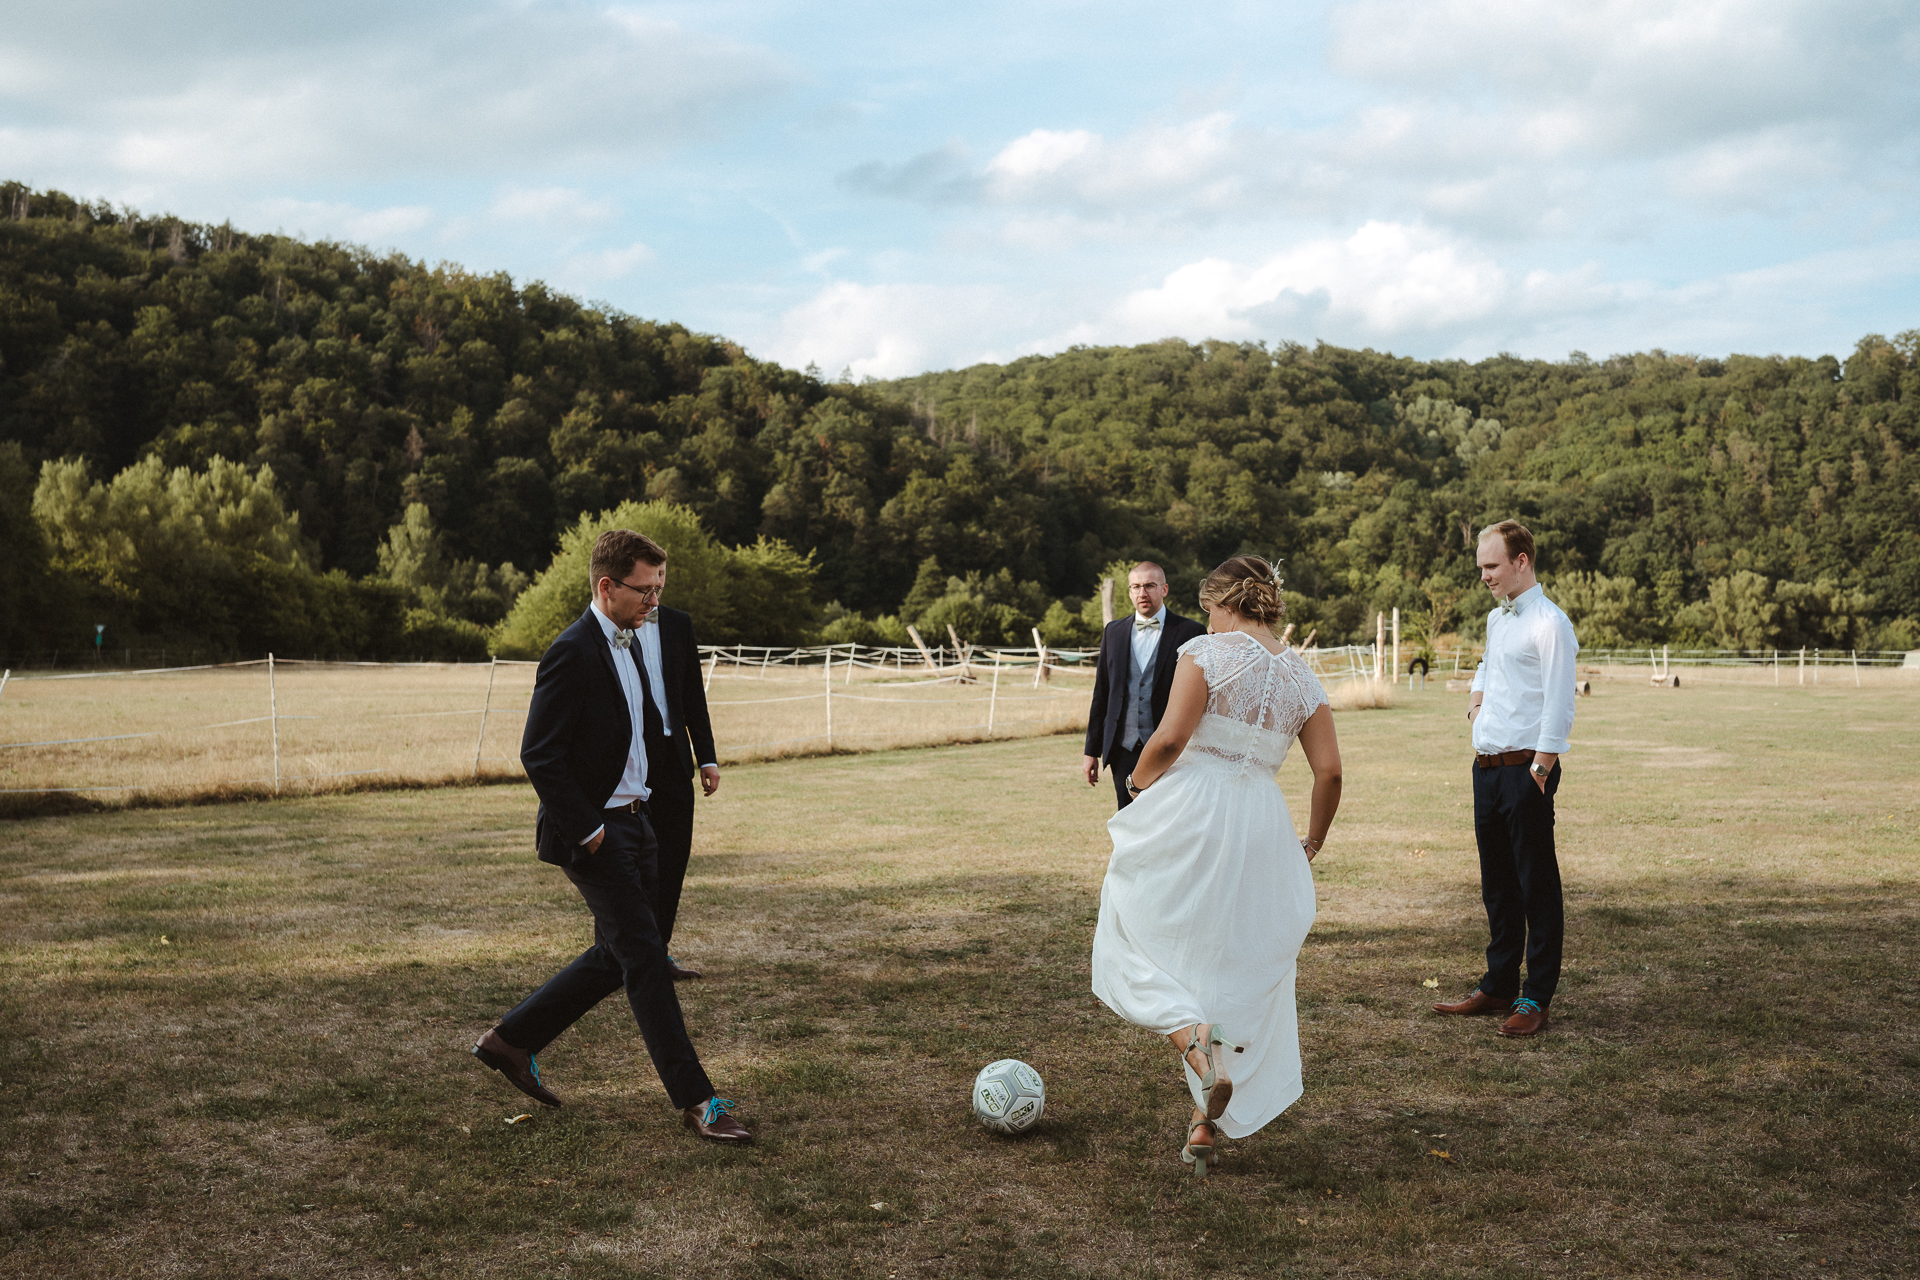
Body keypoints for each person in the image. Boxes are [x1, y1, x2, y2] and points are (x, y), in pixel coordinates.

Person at [469, 529, 751, 1143]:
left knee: (614, 956)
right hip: (597, 835)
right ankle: (699, 1101)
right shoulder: (572, 651)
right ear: (607, 586)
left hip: (638, 822)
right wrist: (592, 831)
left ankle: (510, 1040)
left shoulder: (629, 642)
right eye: (645, 591)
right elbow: (538, 755)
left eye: (657, 591)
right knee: (646, 959)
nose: (655, 603)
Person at [1090, 555, 1343, 1177]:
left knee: (1127, 935)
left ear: (1222, 601)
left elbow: (1173, 738)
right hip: (1263, 821)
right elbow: (1330, 771)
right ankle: (1205, 1122)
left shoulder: (1207, 652)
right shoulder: (1302, 678)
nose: (1206, 617)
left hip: (1196, 808)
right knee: (1233, 960)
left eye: (1207, 607)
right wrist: (1310, 842)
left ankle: (1197, 1047)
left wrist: (1141, 782)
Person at [1431, 520, 1578, 1039]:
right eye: (1480, 568)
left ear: (1521, 561)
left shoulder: (1551, 623)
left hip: (1526, 773)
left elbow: (1561, 702)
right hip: (1486, 770)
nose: (1485, 576)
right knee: (1497, 883)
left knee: (1535, 884)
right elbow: (1488, 665)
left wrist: (1541, 768)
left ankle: (1534, 996)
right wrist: (1476, 696)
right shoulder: (1499, 619)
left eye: (1492, 566)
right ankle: (1496, 986)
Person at [630, 572, 721, 981]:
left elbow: (692, 695)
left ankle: (658, 955)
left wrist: (707, 758)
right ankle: (622, 957)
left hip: (674, 760)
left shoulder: (679, 624)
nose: (655, 590)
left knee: (672, 858)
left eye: (661, 581)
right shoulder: (616, 625)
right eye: (648, 582)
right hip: (632, 758)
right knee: (628, 861)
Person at [1082, 562, 1207, 808]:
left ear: (1164, 589)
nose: (1142, 593)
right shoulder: (1113, 632)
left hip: (1173, 750)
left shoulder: (1190, 631)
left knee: (1170, 821)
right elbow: (1102, 693)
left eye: (1149, 585)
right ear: (1129, 592)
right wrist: (1091, 751)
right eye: (1136, 587)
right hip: (1122, 749)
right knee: (1127, 824)